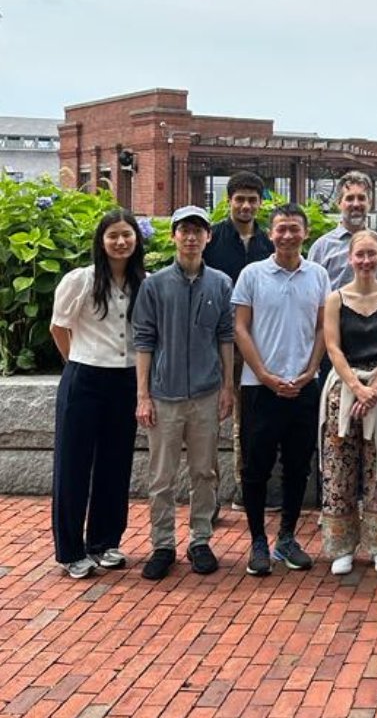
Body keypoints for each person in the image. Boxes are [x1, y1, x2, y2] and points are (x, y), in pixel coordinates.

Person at [133, 206, 235, 581]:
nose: (191, 238)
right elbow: (143, 341)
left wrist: (227, 387)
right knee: (161, 476)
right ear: (173, 236)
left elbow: (226, 336)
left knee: (204, 471)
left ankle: (200, 540)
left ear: (208, 238)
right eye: (184, 231)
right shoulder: (154, 285)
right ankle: (162, 544)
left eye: (198, 231)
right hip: (164, 395)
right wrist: (143, 395)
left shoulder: (221, 283)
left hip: (207, 394)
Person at [232, 204, 331, 576]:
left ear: (305, 233)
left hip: (304, 387)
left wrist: (308, 372)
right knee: (255, 467)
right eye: (281, 229)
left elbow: (324, 327)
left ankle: (287, 537)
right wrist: (264, 374)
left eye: (294, 229)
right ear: (270, 234)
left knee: (297, 466)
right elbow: (241, 328)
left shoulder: (318, 275)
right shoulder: (252, 274)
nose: (287, 235)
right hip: (260, 387)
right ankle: (258, 540)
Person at [49, 208, 146, 579]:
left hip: (124, 381)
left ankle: (104, 542)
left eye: (127, 235)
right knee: (73, 466)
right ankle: (70, 550)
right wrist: (75, 363)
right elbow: (59, 328)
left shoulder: (144, 282)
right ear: (101, 241)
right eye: (113, 236)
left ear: (136, 240)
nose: (120, 242)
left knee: (115, 464)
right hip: (84, 378)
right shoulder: (81, 280)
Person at [320, 230, 377, 575]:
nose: (366, 261)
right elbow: (333, 347)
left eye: (372, 254)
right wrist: (356, 385)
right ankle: (341, 545)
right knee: (340, 465)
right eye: (360, 255)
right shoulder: (336, 299)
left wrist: (376, 388)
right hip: (344, 386)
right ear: (350, 259)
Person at [203, 170, 273, 512]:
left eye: (252, 200)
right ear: (228, 202)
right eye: (239, 199)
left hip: (257, 344)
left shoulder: (268, 245)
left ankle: (248, 489)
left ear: (260, 204)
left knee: (251, 420)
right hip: (217, 344)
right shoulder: (211, 240)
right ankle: (209, 495)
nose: (245, 206)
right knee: (212, 419)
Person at [307, 171, 377, 289]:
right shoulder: (321, 248)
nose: (356, 204)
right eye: (349, 198)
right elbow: (312, 291)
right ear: (339, 203)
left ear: (370, 203)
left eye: (361, 198)